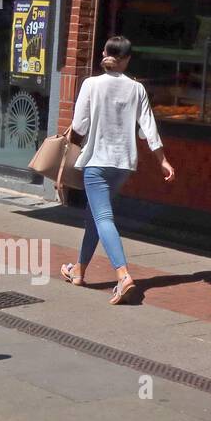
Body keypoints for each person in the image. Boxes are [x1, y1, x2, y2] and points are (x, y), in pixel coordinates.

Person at [60, 35, 175, 304]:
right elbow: (148, 128)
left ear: (104, 53)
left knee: (102, 218)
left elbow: (79, 126)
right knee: (95, 216)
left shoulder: (91, 84)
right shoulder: (137, 89)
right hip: (123, 164)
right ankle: (79, 270)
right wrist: (162, 160)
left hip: (97, 162)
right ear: (127, 59)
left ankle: (123, 276)